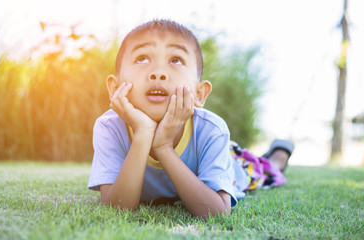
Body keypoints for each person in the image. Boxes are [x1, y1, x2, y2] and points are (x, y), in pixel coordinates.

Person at [87, 19, 293, 218]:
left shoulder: (212, 130)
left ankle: (278, 156)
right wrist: (143, 134)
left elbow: (217, 212)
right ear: (115, 88)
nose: (158, 73)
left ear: (199, 94)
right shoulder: (109, 128)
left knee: (262, 170)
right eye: (142, 58)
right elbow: (116, 209)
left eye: (175, 60)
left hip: (230, 160)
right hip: (208, 148)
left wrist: (164, 147)